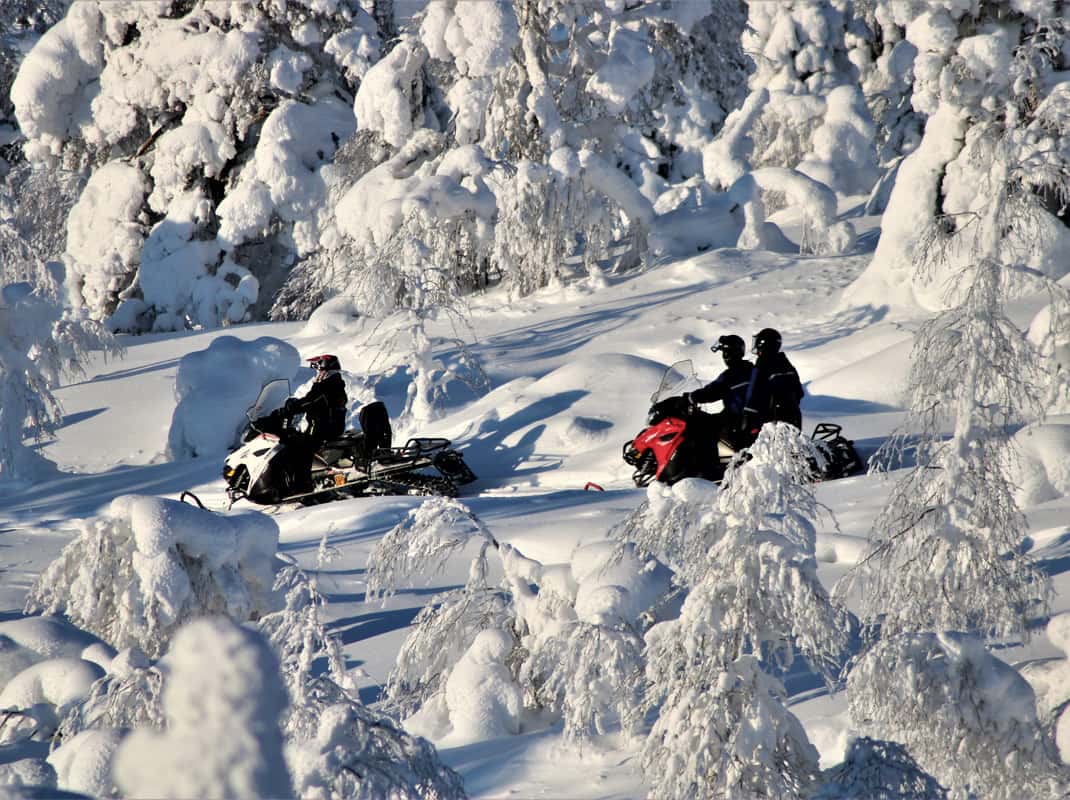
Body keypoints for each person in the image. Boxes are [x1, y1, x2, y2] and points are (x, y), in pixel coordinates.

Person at [279, 354, 348, 496]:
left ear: (326, 367)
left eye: (319, 368)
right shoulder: (331, 383)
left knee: (300, 451)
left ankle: (302, 489)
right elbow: (312, 400)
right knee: (299, 446)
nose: (318, 372)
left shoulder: (329, 384)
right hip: (325, 427)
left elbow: (312, 400)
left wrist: (294, 406)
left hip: (323, 429)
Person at [683, 334, 756, 448]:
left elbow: (711, 392)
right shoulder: (752, 369)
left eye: (724, 352)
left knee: (700, 427)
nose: (723, 355)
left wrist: (690, 397)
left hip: (735, 419)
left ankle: (706, 463)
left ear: (728, 354)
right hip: (748, 418)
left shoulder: (730, 375)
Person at [746, 328, 804, 430]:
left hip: (771, 423)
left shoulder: (762, 365)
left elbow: (754, 394)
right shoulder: (787, 364)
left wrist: (748, 418)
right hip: (794, 418)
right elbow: (799, 392)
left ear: (763, 344)